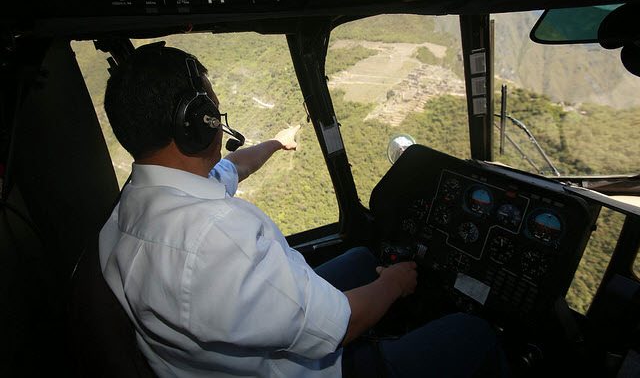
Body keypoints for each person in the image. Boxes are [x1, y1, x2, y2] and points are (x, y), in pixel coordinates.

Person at [99, 43, 510, 377]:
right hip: (307, 370)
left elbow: (234, 166)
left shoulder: (136, 203)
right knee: (473, 333)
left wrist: (277, 142)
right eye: (215, 114)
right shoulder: (218, 237)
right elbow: (341, 327)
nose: (220, 124)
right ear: (196, 123)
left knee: (364, 259)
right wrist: (397, 283)